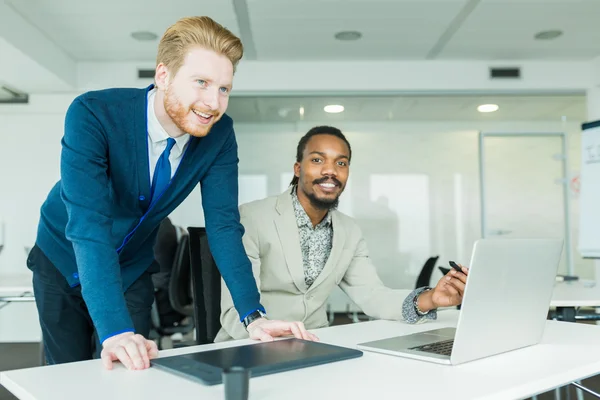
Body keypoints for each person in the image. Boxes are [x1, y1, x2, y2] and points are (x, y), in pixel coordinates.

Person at [26, 16, 315, 371]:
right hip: (63, 255)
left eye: (224, 88)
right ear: (163, 76)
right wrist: (115, 331)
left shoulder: (220, 135)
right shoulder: (94, 114)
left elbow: (223, 227)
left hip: (131, 266)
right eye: (201, 83)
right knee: (67, 373)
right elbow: (88, 225)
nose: (213, 103)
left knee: (134, 370)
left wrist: (253, 316)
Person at [215, 126, 469, 341]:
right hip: (248, 345)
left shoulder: (349, 230)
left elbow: (372, 296)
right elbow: (234, 311)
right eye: (317, 160)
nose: (330, 171)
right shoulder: (251, 217)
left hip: (315, 344)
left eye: (341, 163)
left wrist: (431, 299)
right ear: (297, 168)